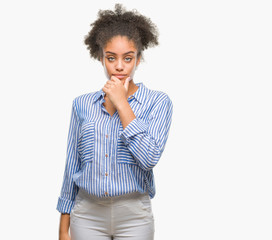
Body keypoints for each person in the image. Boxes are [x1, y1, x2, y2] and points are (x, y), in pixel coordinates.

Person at [56, 3, 173, 240]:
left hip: (134, 216)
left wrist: (122, 104)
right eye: (111, 58)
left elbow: (149, 158)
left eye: (127, 58)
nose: (119, 66)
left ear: (138, 59)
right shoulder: (82, 104)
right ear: (101, 58)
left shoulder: (158, 102)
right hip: (87, 214)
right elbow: (72, 164)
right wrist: (63, 227)